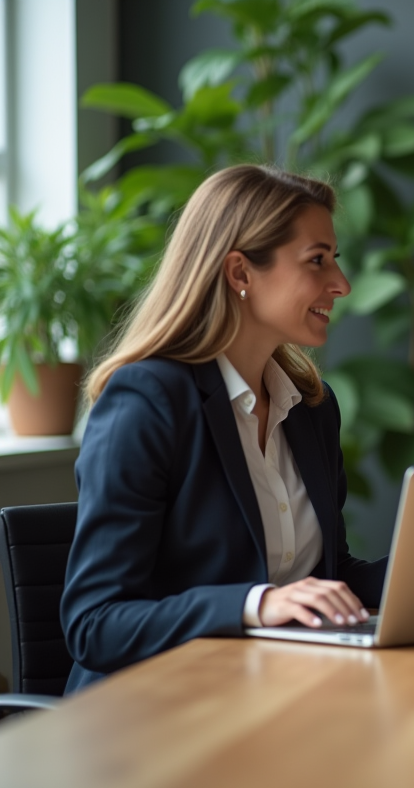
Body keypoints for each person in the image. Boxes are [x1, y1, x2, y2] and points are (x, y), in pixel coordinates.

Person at [62, 165, 386, 692]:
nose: (341, 285)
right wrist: (256, 604)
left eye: (335, 260)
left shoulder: (310, 410)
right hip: (149, 716)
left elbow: (329, 576)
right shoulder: (147, 402)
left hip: (270, 694)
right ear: (240, 273)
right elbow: (95, 623)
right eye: (317, 261)